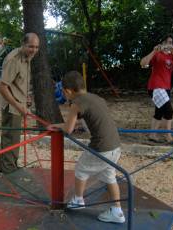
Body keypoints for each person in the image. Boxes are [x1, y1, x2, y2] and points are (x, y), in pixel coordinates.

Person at [47, 71, 125, 224]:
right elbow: (88, 120)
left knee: (81, 169)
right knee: (109, 176)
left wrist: (56, 126)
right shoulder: (96, 98)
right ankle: (117, 211)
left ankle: (78, 200)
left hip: (101, 147)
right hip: (115, 146)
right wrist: (60, 125)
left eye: (64, 92)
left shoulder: (76, 103)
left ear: (68, 91)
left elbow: (68, 129)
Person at [0, 33, 39, 174]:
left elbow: (20, 82)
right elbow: (2, 87)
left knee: (14, 139)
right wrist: (18, 105)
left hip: (19, 104)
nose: (34, 50)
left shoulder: (28, 56)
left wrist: (26, 97)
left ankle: (9, 167)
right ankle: (9, 173)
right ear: (23, 44)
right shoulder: (13, 60)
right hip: (12, 106)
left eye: (36, 47)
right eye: (31, 46)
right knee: (10, 138)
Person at [140, 35, 173, 144]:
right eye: (168, 42)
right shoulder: (157, 54)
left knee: (159, 112)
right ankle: (168, 136)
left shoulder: (171, 56)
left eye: (171, 42)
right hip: (156, 87)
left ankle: (152, 135)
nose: (170, 44)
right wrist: (154, 51)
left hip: (166, 88)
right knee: (169, 111)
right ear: (162, 43)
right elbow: (143, 63)